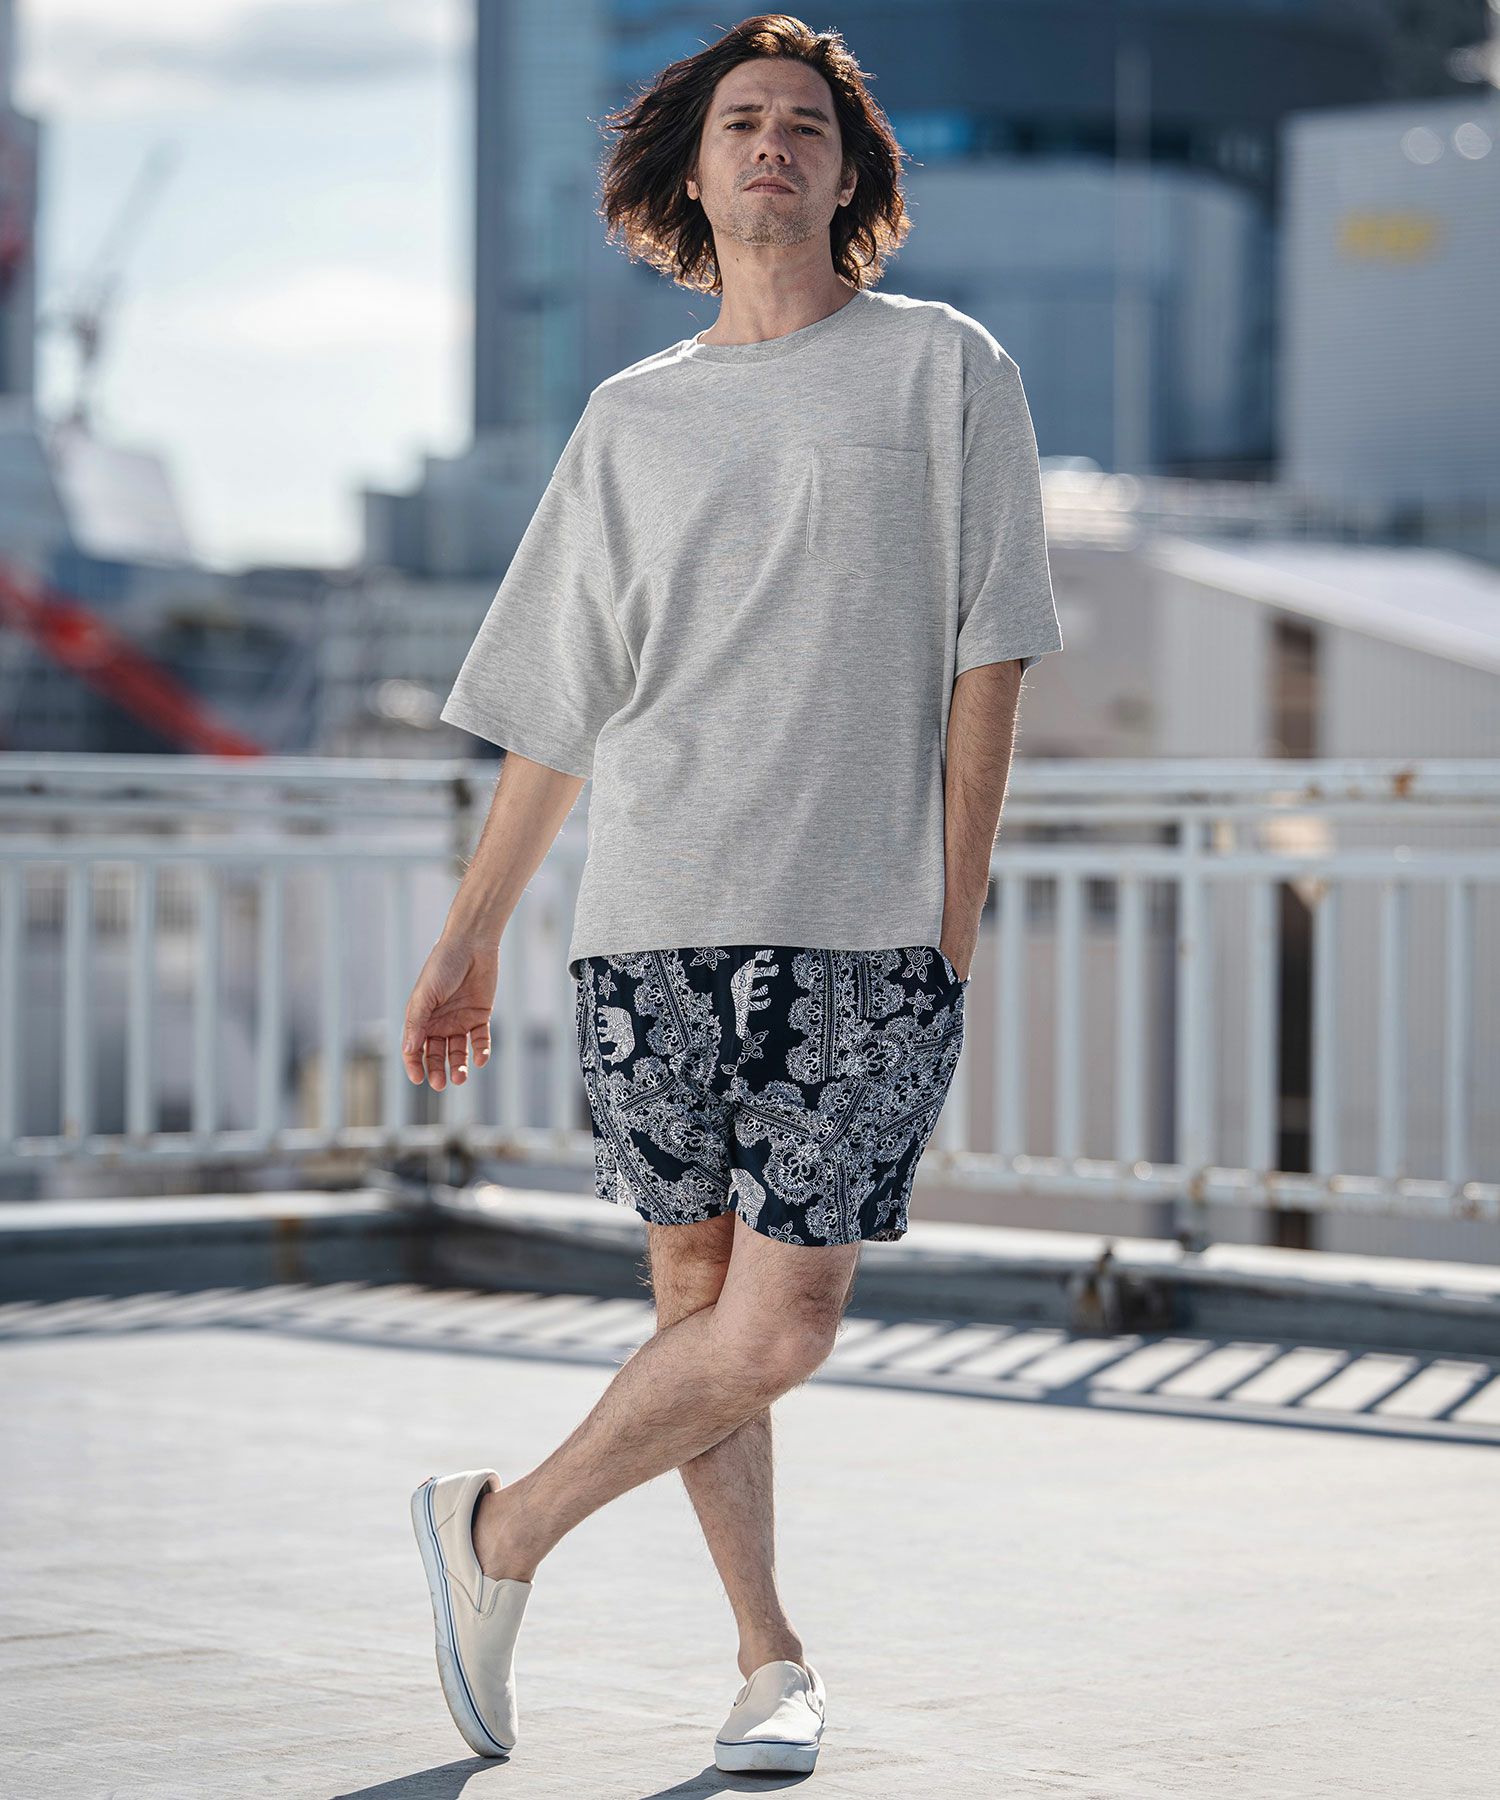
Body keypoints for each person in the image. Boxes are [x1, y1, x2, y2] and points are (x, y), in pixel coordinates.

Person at [400, 12, 1063, 1776]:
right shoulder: (632, 419)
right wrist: (468, 937)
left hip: (865, 930)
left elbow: (992, 655)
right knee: (699, 1308)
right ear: (690, 175)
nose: (773, 143)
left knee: (785, 1323)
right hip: (650, 922)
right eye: (742, 122)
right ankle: (769, 1662)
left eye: (805, 126)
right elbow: (558, 710)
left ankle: (499, 1533)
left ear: (850, 177)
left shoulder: (945, 369)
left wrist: (952, 920)